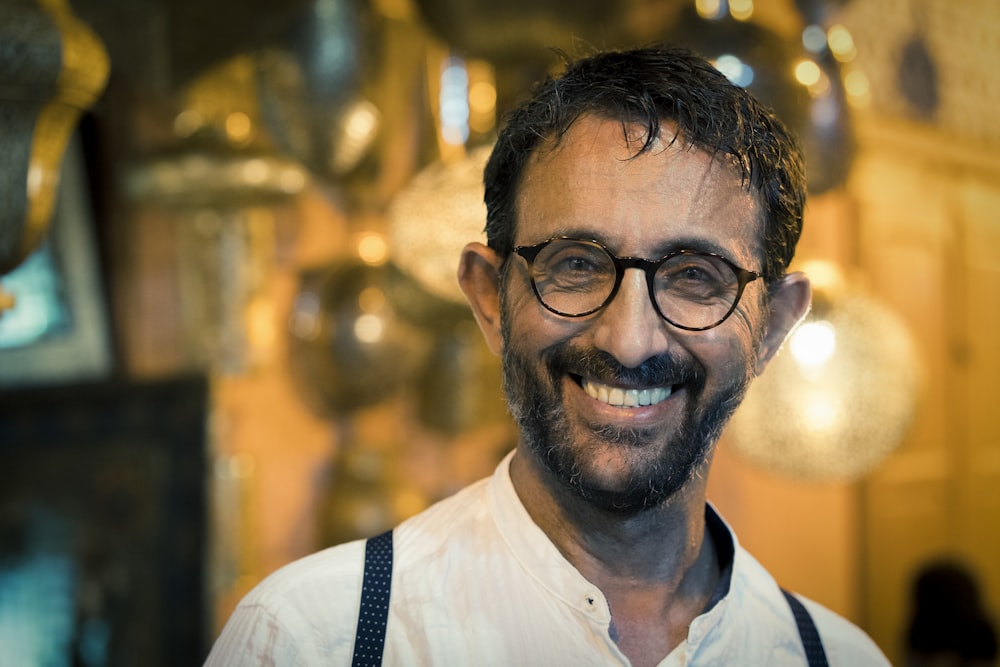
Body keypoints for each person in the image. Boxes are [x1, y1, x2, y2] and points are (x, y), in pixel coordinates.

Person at [205, 45, 890, 666]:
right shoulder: (313, 639)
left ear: (771, 326)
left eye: (693, 277)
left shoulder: (838, 658)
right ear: (490, 300)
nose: (629, 340)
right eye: (576, 265)